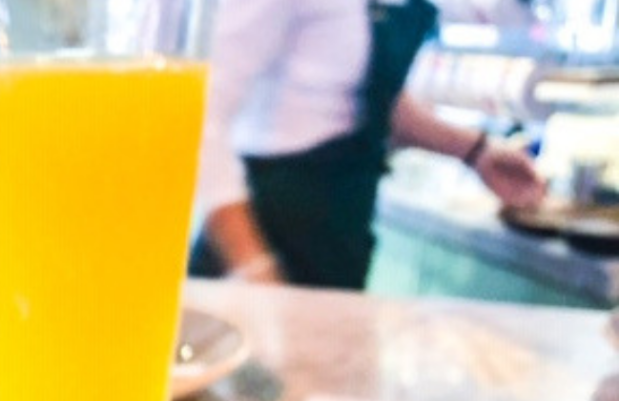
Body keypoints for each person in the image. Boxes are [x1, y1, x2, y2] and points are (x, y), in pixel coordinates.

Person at [189, 0, 547, 290]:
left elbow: (376, 102)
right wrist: (252, 267)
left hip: (341, 227)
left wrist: (477, 152)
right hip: (266, 222)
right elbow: (202, 116)